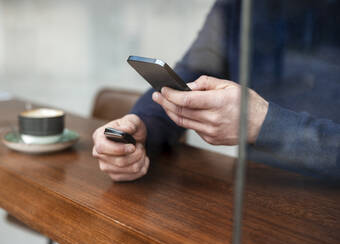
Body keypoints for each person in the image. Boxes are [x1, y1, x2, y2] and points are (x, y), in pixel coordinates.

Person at [92, 0, 340, 182]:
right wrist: (141, 125)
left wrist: (263, 123)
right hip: (257, 195)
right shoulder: (235, 7)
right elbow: (190, 74)